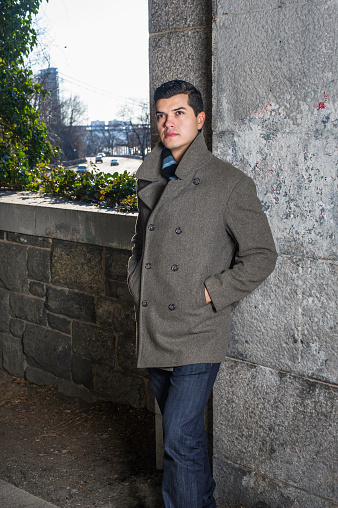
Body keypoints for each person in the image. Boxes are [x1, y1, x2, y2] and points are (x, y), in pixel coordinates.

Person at [127, 80, 277, 508]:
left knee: (176, 435)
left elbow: (262, 255)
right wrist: (137, 282)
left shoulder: (228, 183)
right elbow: (139, 245)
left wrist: (211, 293)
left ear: (200, 118)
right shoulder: (151, 174)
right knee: (185, 439)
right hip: (156, 323)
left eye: (178, 113)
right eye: (161, 115)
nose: (168, 122)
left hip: (197, 329)